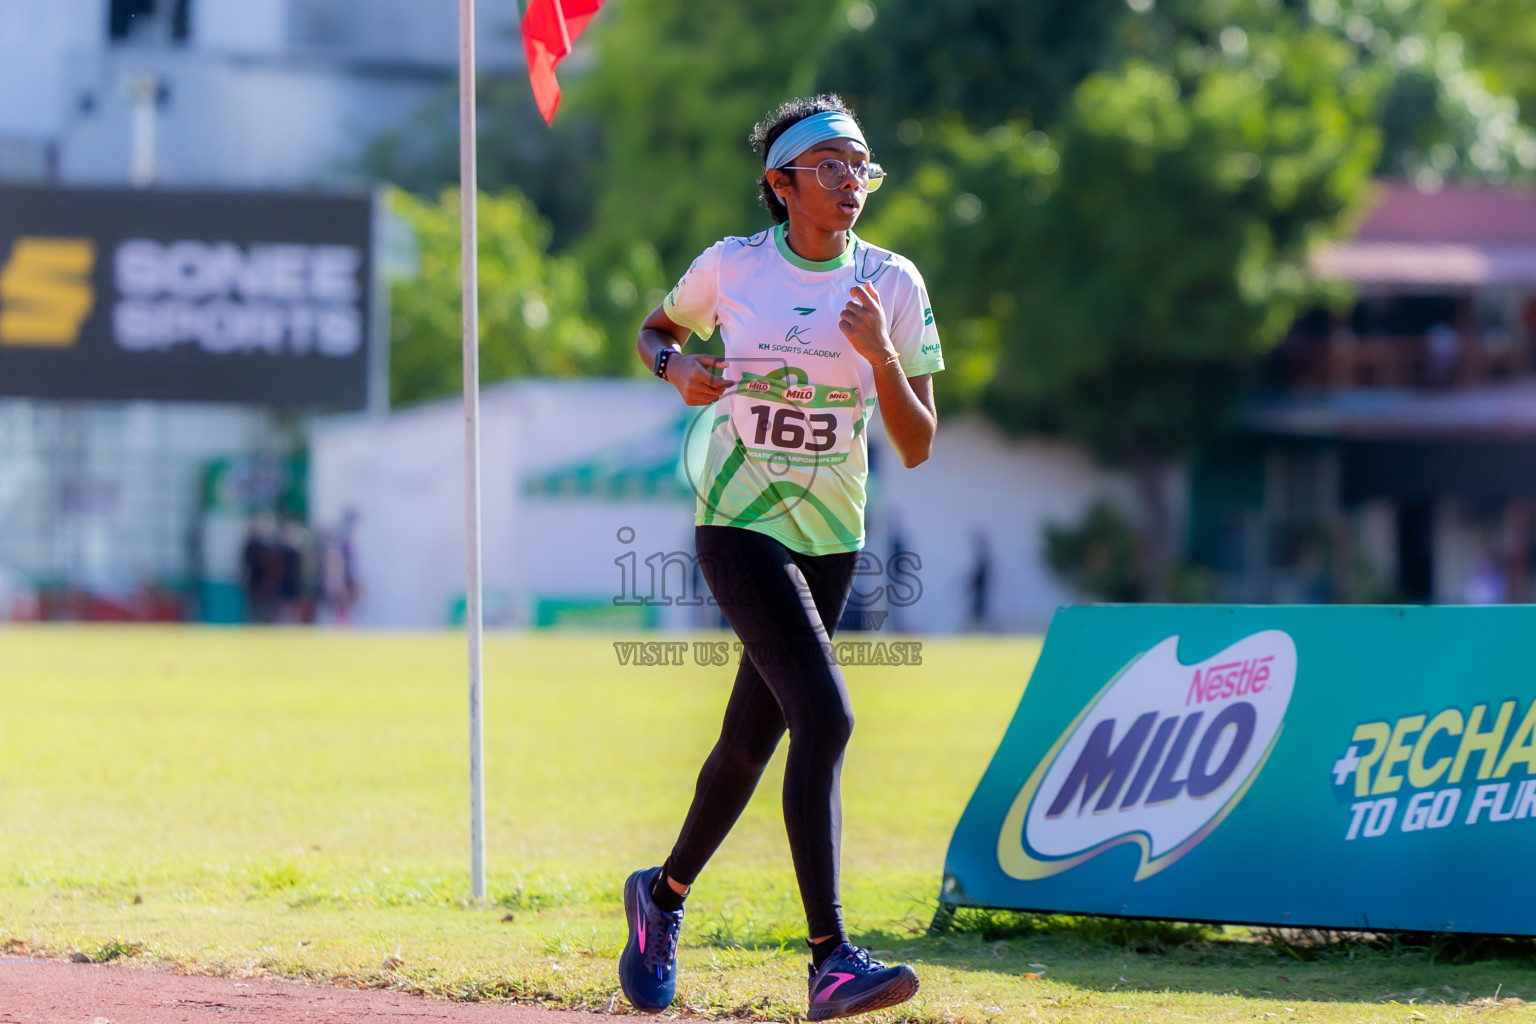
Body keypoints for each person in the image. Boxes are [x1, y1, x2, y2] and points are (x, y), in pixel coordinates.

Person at [623, 95, 943, 1020]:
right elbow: (657, 330)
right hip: (737, 521)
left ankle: (663, 896)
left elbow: (917, 444)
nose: (852, 183)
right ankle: (831, 957)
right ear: (781, 183)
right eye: (831, 166)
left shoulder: (894, 282)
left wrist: (881, 357)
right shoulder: (731, 268)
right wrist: (672, 367)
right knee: (828, 719)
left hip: (832, 536)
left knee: (751, 740)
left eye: (862, 167)